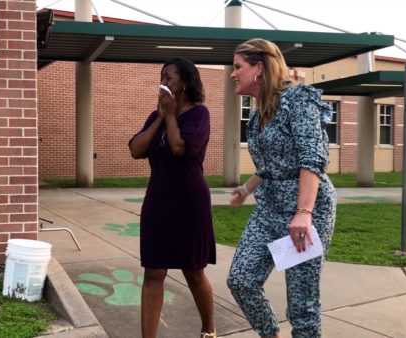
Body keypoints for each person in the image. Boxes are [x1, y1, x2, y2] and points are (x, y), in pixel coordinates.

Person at [227, 38, 337, 338]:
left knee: (301, 305)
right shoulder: (257, 113)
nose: (233, 74)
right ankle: (270, 334)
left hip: (306, 211)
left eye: (238, 66)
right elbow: (269, 166)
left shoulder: (298, 100)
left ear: (259, 68)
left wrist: (304, 212)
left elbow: (311, 159)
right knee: (241, 279)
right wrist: (246, 189)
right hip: (269, 208)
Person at [129, 57, 217, 338]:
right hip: (158, 202)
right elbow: (136, 149)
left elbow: (180, 148)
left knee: (193, 272)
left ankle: (208, 330)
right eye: (162, 77)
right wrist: (159, 117)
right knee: (153, 272)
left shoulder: (199, 115)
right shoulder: (156, 116)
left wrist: (170, 116)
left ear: (186, 82)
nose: (163, 82)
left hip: (190, 203)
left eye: (169, 77)